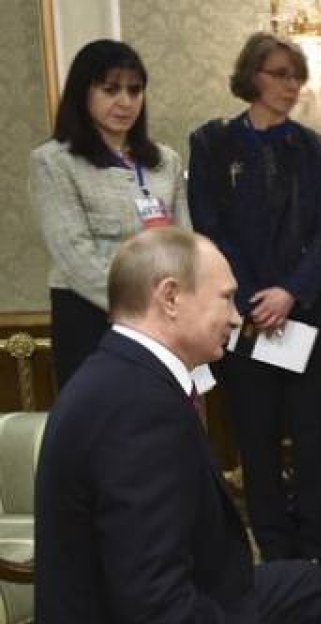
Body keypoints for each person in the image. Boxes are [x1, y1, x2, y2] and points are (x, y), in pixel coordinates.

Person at [34, 228, 321, 624]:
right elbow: (153, 602)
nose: (236, 317)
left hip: (168, 603)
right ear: (170, 297)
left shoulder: (124, 372)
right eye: (225, 298)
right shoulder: (137, 408)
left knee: (304, 581)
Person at [188, 32, 321, 569]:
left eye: (297, 75)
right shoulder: (212, 144)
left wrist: (291, 292)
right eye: (280, 73)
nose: (291, 85)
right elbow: (209, 228)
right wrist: (257, 298)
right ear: (252, 75)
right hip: (245, 319)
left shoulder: (312, 147)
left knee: (314, 436)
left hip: (306, 316)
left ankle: (317, 545)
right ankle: (273, 545)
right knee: (256, 437)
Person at [29, 39, 189, 388]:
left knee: (159, 420)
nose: (125, 102)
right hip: (90, 315)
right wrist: (143, 311)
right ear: (82, 93)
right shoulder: (54, 161)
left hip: (162, 314)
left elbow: (183, 244)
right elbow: (75, 258)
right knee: (103, 426)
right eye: (110, 89)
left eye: (135, 90)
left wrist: (176, 306)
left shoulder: (165, 161)